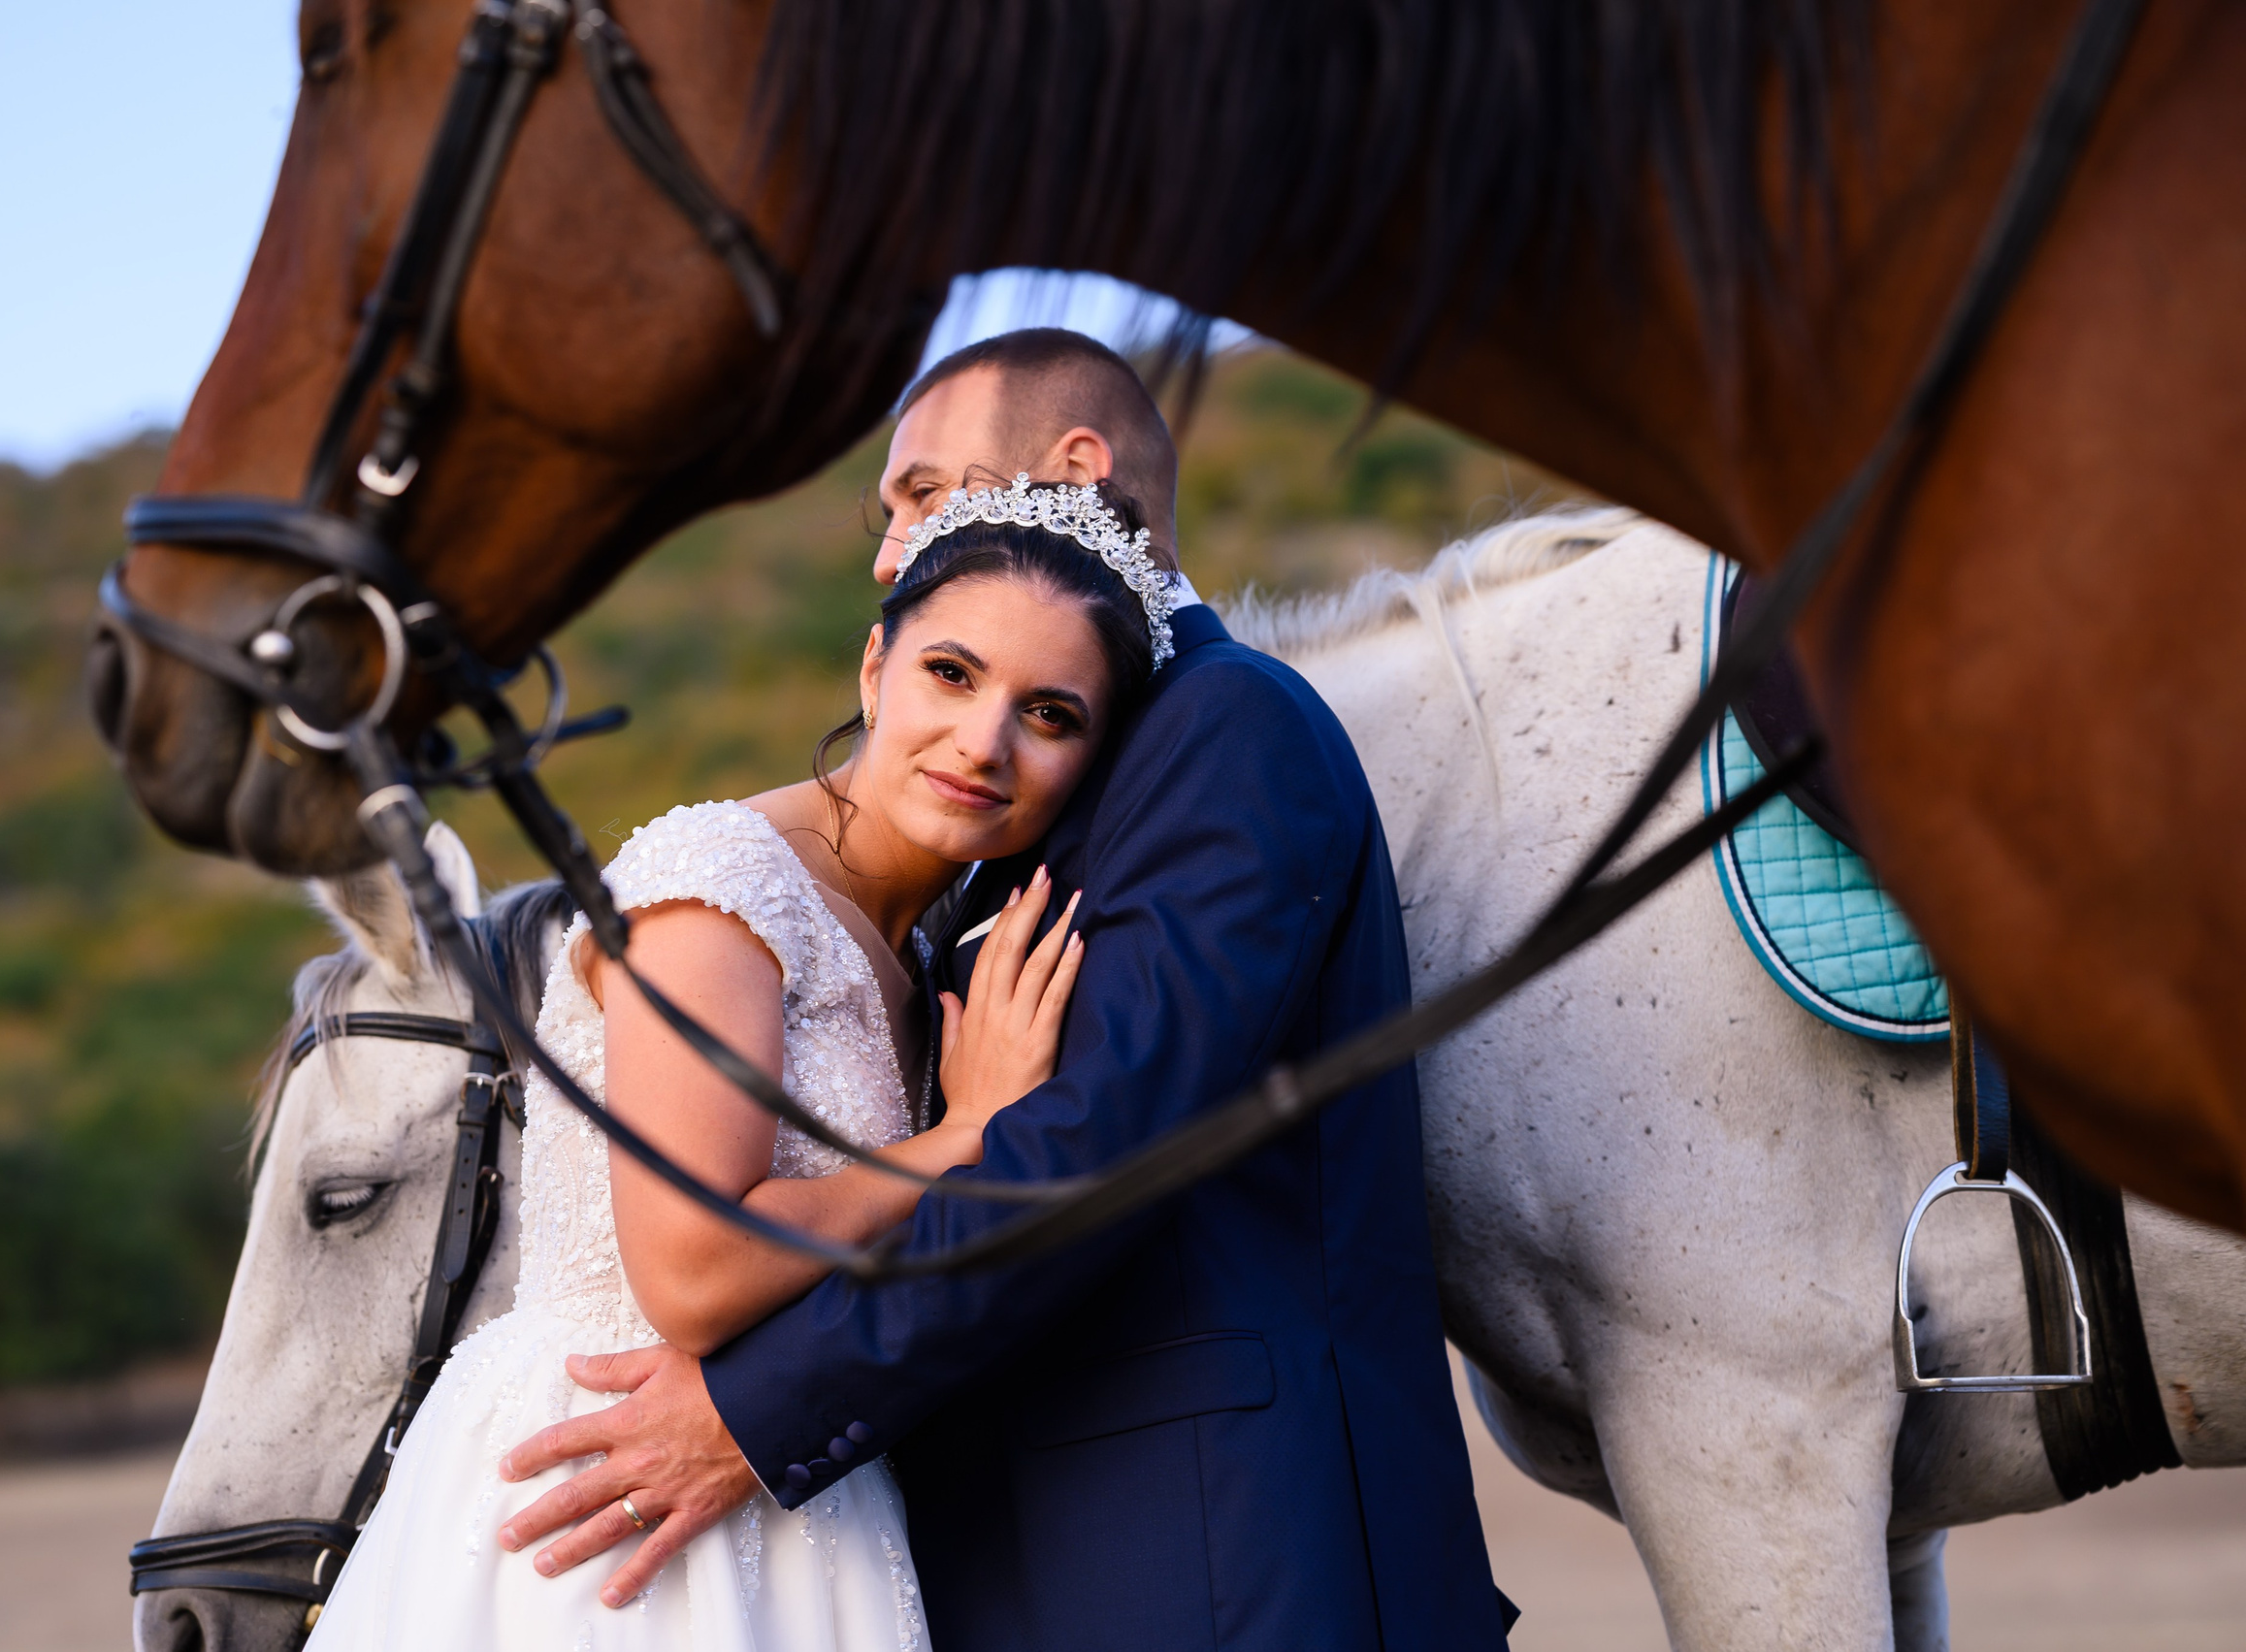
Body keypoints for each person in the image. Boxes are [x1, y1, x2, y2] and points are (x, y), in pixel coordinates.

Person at [495, 330, 1514, 1649]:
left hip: (1217, 1554)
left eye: (919, 494)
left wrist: (760, 1412)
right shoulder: (1015, 811)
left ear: (1075, 473)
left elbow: (1099, 1145)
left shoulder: (1225, 728)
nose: (887, 549)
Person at [306, 468, 1169, 1649]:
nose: (985, 742)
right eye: (951, 673)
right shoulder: (723, 881)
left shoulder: (924, 953)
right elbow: (695, 1272)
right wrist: (964, 1138)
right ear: (875, 669)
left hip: (798, 1503)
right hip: (610, 1504)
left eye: (1050, 713)